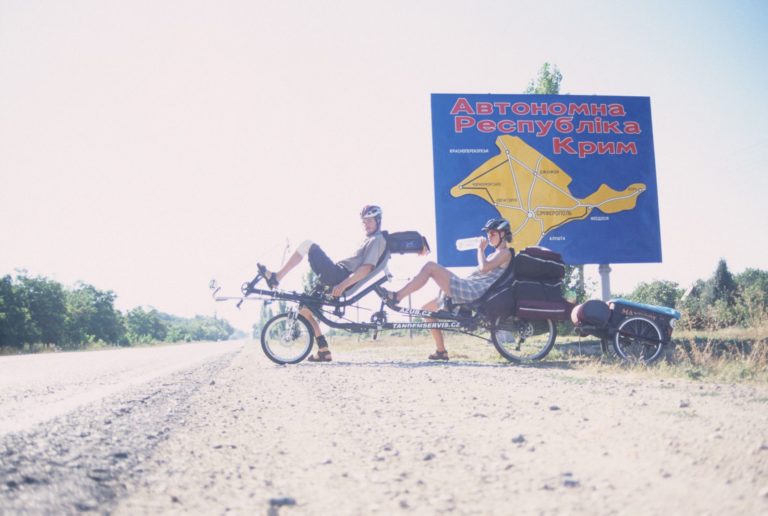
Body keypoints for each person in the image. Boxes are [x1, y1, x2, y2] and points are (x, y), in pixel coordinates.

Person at [257, 205, 388, 362]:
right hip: (337, 275)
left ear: (378, 220)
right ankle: (323, 350)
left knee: (308, 245)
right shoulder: (370, 239)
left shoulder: (377, 240)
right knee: (305, 309)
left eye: (369, 221)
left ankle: (276, 277)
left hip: (339, 276)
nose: (365, 224)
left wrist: (343, 285)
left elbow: (366, 269)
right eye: (364, 221)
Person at [384, 218, 514, 361]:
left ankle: (397, 296)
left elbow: (484, 268)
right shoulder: (493, 254)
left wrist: (479, 250)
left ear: (503, 234)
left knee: (430, 267)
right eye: (488, 233)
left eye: (492, 233)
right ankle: (441, 351)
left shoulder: (505, 253)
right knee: (426, 311)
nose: (489, 236)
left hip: (472, 292)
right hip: (469, 287)